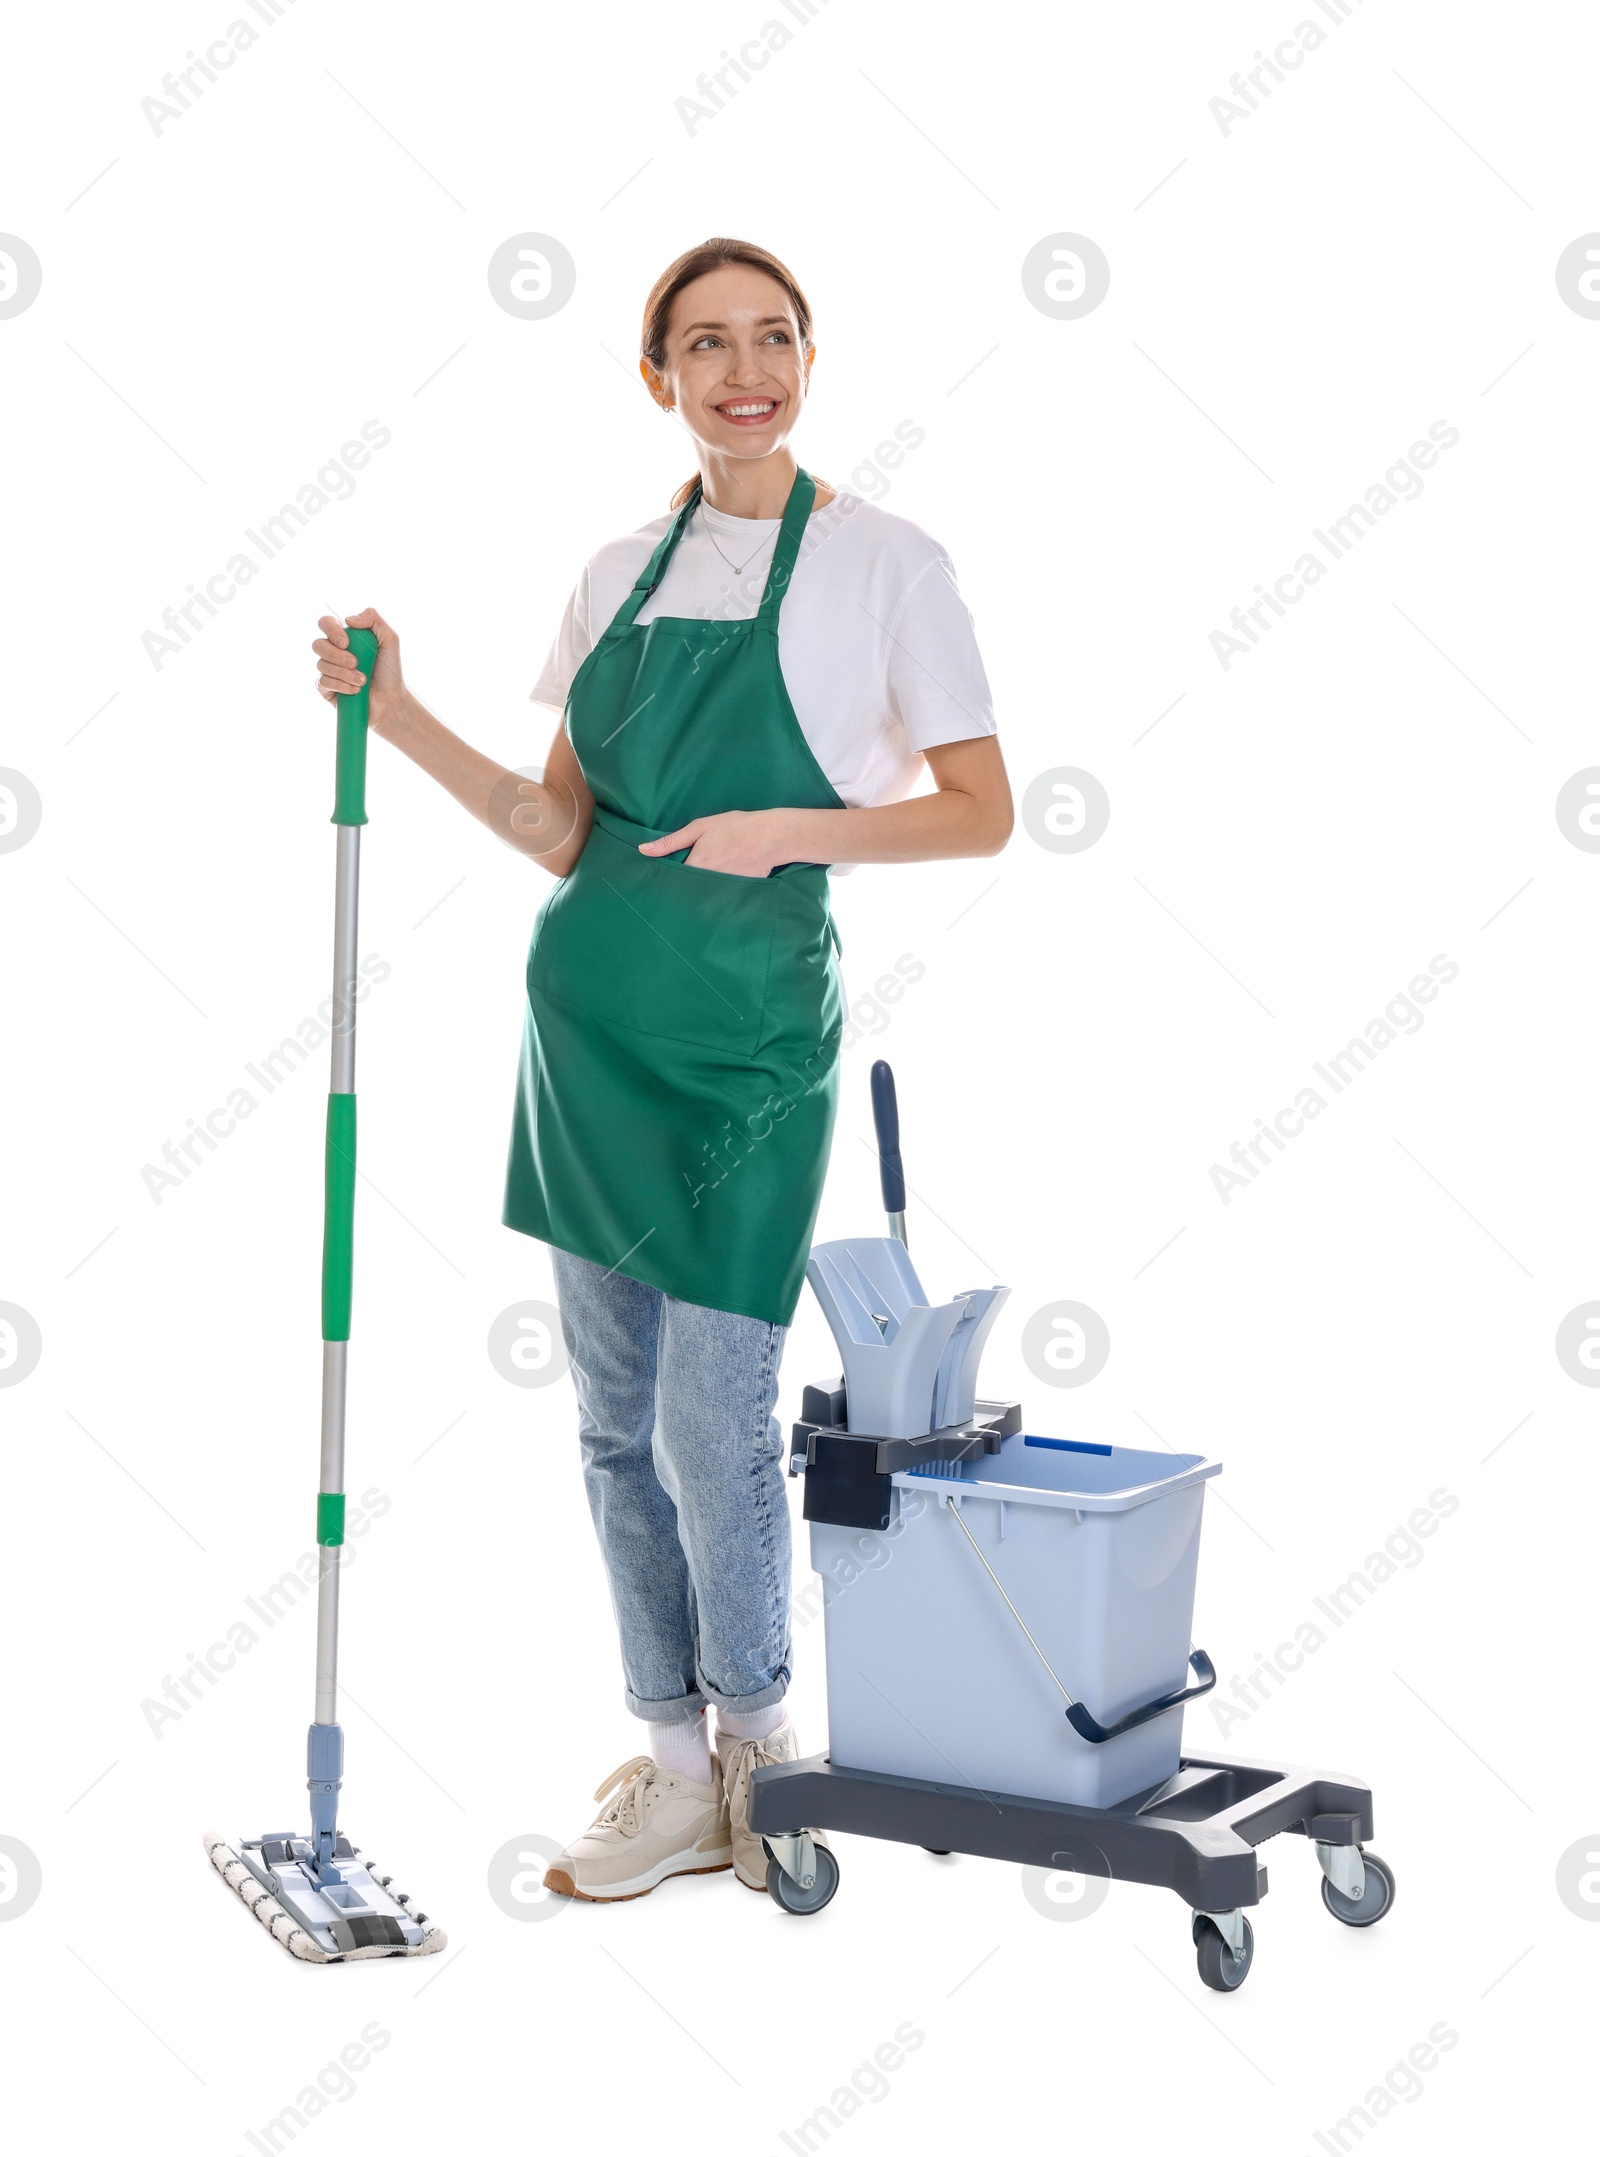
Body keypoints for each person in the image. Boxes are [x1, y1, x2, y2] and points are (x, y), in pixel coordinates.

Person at [312, 235, 1011, 1904]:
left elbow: (982, 807)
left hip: (752, 1046)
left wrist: (795, 830)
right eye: (704, 345)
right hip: (590, 1041)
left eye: (771, 339)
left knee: (716, 1415)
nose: (741, 370)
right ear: (659, 377)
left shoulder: (887, 565)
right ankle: (675, 1765)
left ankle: (764, 1734)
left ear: (810, 361)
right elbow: (563, 826)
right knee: (614, 1426)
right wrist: (397, 714)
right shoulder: (619, 564)